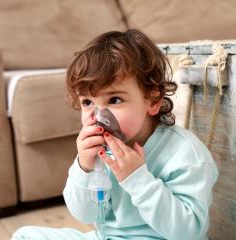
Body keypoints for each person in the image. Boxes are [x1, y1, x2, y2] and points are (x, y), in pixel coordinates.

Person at [12, 29, 218, 240]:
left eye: (114, 100)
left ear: (153, 100)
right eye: (87, 102)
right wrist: (84, 168)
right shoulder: (99, 152)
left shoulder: (185, 153)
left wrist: (137, 178)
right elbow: (86, 214)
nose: (100, 116)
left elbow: (189, 232)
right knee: (25, 235)